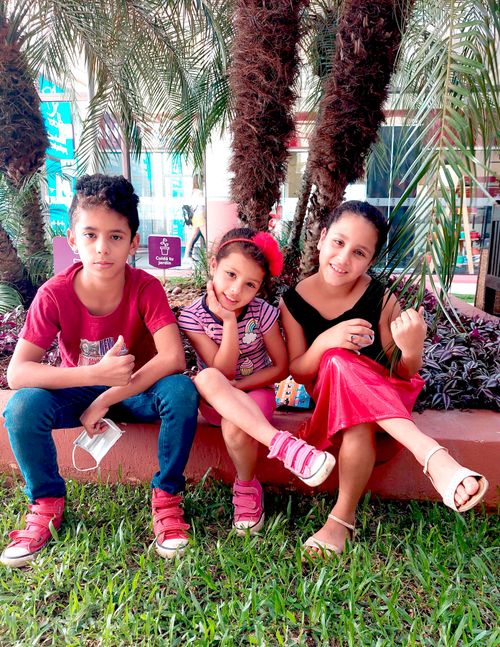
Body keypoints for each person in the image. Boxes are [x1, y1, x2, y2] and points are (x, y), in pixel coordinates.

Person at [1, 174, 199, 568]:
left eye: (115, 237)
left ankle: (167, 497)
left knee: (180, 392)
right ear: (72, 239)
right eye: (90, 235)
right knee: (22, 407)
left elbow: (173, 358)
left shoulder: (145, 288)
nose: (102, 248)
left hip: (138, 392)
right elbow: (18, 373)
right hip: (81, 392)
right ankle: (46, 502)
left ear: (133, 242)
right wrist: (95, 378)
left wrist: (107, 396)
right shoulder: (54, 294)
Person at [279, 200, 489, 557]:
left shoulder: (379, 297)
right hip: (335, 399)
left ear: (370, 261)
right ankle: (433, 457)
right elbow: (298, 369)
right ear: (322, 237)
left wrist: (412, 348)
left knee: (348, 386)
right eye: (338, 242)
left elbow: (402, 370)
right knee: (336, 362)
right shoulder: (293, 301)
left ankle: (340, 522)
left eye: (359, 252)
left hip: (386, 395)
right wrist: (326, 342)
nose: (344, 258)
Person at [179, 227, 335, 535]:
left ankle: (247, 486)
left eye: (250, 284)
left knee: (235, 424)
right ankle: (285, 446)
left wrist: (241, 388)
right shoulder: (192, 317)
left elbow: (279, 368)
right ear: (213, 266)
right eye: (230, 274)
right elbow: (222, 373)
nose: (236, 291)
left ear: (260, 287)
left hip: (256, 393)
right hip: (215, 398)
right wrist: (228, 321)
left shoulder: (263, 313)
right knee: (208, 377)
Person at [182, 184, 206, 266]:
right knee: (206, 236)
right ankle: (210, 255)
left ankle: (186, 256)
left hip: (196, 217)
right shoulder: (199, 196)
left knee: (192, 237)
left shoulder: (193, 199)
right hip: (200, 217)